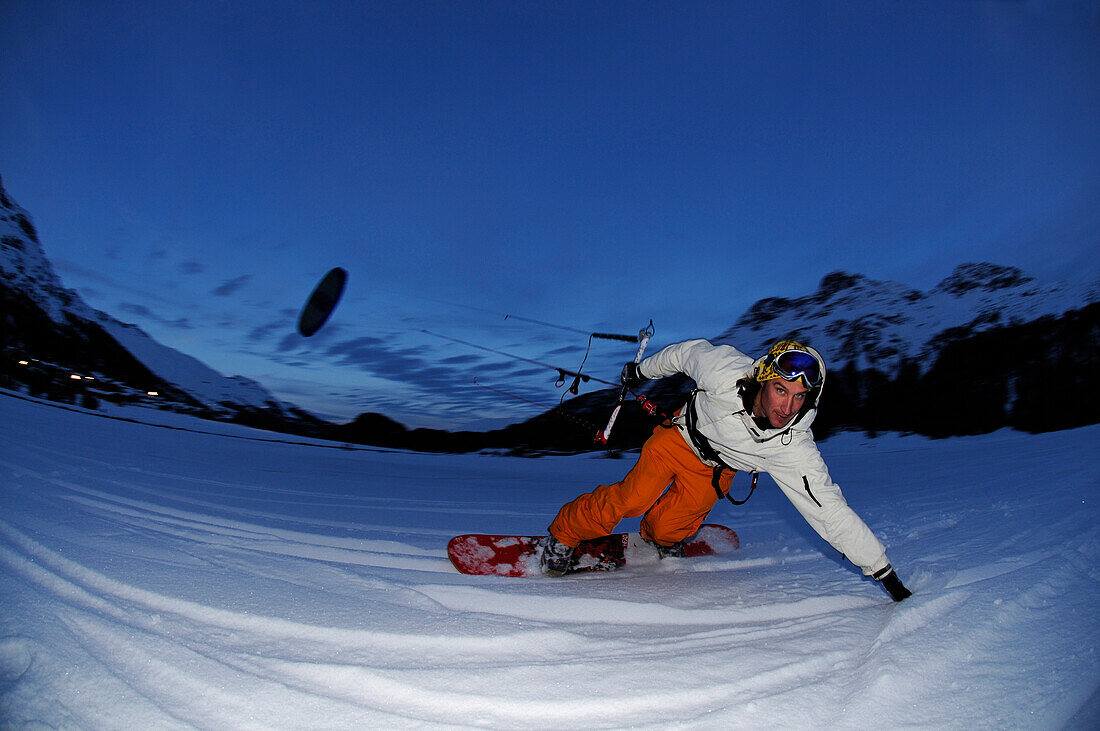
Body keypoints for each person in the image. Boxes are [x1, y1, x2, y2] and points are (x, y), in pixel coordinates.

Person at [542, 338, 913, 602]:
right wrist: (640, 371)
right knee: (634, 497)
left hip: (715, 471)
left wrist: (883, 572)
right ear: (765, 379)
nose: (788, 407)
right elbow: (683, 354)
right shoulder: (724, 370)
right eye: (781, 391)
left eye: (800, 397)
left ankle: (660, 540)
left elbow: (830, 512)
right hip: (677, 440)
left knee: (673, 526)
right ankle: (564, 535)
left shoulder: (792, 448)